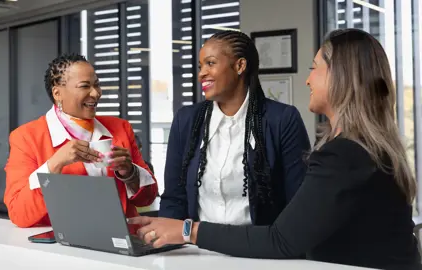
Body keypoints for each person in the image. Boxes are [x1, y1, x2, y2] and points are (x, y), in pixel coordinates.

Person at [129, 29, 422, 270]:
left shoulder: (342, 154)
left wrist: (187, 230)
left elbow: (285, 237)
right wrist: (168, 239)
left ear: (341, 76)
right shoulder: (367, 149)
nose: (307, 79)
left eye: (314, 68)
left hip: (265, 256)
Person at [158, 30, 311, 228]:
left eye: (210, 63)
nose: (201, 73)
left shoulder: (282, 119)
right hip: (196, 251)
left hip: (260, 251)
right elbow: (174, 198)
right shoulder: (186, 120)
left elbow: (297, 202)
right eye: (200, 66)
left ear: (240, 65)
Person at [4, 53, 158, 228]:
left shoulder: (120, 128)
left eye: (97, 85)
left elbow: (149, 197)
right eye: (85, 86)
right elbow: (19, 214)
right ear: (57, 93)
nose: (96, 93)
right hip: (64, 246)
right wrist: (55, 164)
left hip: (124, 241)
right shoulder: (26, 137)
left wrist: (129, 172)